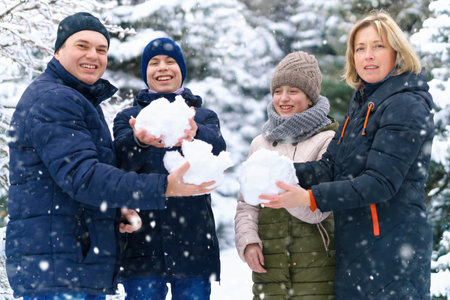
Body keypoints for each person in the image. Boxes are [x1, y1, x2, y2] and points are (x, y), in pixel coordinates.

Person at [6, 13, 215, 300]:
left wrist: (117, 209)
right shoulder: (56, 99)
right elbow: (84, 177)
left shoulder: (75, 99)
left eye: (101, 49)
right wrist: (162, 187)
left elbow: (73, 183)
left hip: (70, 263)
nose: (93, 55)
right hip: (61, 267)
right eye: (82, 45)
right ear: (58, 50)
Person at [261, 10, 434, 299]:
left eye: (378, 46)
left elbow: (380, 182)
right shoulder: (364, 102)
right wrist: (282, 171)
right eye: (360, 48)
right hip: (358, 249)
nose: (368, 55)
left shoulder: (406, 104)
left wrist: (311, 198)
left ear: (397, 52)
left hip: (394, 254)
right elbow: (332, 165)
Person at [112, 37, 226, 300]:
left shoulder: (202, 116)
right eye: (154, 63)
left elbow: (219, 153)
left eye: (170, 61)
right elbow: (119, 162)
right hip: (141, 245)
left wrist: (197, 132)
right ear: (145, 73)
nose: (162, 67)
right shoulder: (127, 118)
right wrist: (138, 140)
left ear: (181, 70)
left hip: (194, 243)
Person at [234, 51, 337, 299]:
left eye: (293, 91)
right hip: (269, 264)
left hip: (315, 266)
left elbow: (321, 209)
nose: (283, 98)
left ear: (310, 97)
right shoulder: (260, 143)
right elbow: (246, 204)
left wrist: (284, 192)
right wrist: (248, 242)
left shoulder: (329, 139)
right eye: (278, 90)